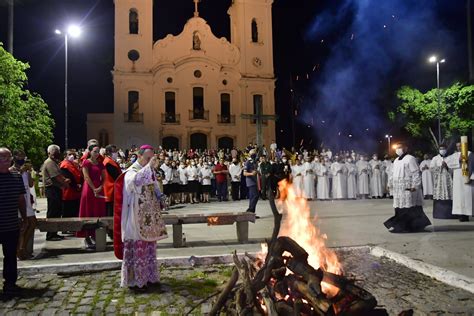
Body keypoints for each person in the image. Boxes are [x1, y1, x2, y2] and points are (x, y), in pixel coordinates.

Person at [117, 145, 167, 290]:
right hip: (135, 216)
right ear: (139, 156)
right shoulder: (131, 172)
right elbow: (135, 182)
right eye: (147, 158)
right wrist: (149, 167)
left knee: (150, 246)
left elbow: (154, 186)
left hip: (148, 217)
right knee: (138, 246)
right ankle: (136, 281)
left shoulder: (148, 171)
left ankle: (150, 277)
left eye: (152, 158)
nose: (150, 161)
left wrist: (160, 197)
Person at [384, 143, 431, 233]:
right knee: (400, 207)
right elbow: (392, 174)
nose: (398, 149)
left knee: (410, 207)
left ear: (405, 148)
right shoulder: (396, 160)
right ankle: (403, 226)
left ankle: (409, 227)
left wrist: (415, 186)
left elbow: (416, 173)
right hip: (398, 188)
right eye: (397, 148)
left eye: (400, 147)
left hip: (408, 187)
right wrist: (389, 184)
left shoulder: (410, 158)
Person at [0, 148, 28, 295]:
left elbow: (20, 199)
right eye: (2, 157)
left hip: (11, 223)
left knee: (10, 255)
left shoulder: (16, 176)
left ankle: (10, 283)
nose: (5, 159)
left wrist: (24, 217)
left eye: (8, 157)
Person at [77, 145, 106, 249]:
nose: (97, 153)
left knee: (97, 211)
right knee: (88, 212)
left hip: (98, 187)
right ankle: (87, 236)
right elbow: (86, 176)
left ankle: (96, 235)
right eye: (95, 151)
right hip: (89, 189)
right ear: (90, 152)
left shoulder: (100, 163)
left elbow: (104, 177)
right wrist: (94, 188)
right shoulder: (86, 162)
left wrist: (100, 187)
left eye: (98, 151)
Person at [10, 150, 36, 260]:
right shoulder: (11, 170)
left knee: (32, 223)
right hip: (18, 201)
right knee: (22, 226)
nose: (21, 158)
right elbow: (12, 184)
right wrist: (20, 172)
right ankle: (19, 250)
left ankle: (23, 247)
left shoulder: (25, 171)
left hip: (27, 200)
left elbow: (30, 184)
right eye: (19, 156)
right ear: (14, 157)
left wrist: (29, 172)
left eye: (23, 156)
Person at [42, 144, 70, 241]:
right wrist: (65, 182)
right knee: (53, 212)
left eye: (57, 151)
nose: (56, 153)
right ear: (49, 153)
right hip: (52, 189)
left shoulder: (54, 162)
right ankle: (50, 234)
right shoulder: (50, 162)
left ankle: (54, 232)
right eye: (54, 151)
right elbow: (56, 176)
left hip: (56, 189)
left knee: (57, 212)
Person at [446, 143, 472, 222]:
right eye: (457, 146)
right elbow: (447, 162)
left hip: (467, 176)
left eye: (460, 146)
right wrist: (458, 160)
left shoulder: (469, 153)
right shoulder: (455, 155)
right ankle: (461, 215)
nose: (459, 148)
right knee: (459, 197)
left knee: (467, 197)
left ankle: (467, 214)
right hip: (457, 178)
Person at [430, 144, 456, 219]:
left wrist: (447, 166)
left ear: (446, 149)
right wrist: (440, 167)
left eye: (444, 148)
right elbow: (431, 169)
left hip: (448, 179)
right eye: (441, 149)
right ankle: (439, 214)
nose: (442, 150)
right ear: (438, 150)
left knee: (449, 193)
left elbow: (454, 169)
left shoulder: (450, 158)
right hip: (439, 180)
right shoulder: (435, 158)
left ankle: (450, 214)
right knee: (439, 193)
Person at [60, 150, 83, 218]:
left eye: (73, 154)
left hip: (76, 193)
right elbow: (68, 178)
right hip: (68, 193)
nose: (72, 156)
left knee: (75, 213)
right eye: (69, 154)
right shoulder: (64, 165)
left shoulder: (72, 164)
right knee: (68, 213)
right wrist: (76, 186)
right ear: (65, 156)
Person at [244, 151, 259, 217]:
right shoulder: (248, 162)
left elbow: (255, 170)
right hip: (250, 181)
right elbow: (244, 173)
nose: (254, 154)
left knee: (252, 197)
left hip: (255, 181)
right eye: (253, 153)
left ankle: (252, 214)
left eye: (255, 153)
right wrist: (251, 173)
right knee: (256, 196)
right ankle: (249, 210)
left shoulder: (255, 162)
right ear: (250, 154)